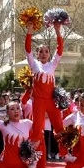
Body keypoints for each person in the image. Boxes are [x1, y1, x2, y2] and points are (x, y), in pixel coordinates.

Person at [25, 21, 69, 160]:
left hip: (51, 100)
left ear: (49, 54)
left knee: (59, 127)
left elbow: (60, 50)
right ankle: (31, 156)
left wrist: (58, 30)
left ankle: (65, 153)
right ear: (37, 54)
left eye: (46, 51)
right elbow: (27, 49)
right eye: (41, 51)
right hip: (38, 101)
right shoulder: (34, 64)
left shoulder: (52, 65)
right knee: (37, 129)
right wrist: (30, 30)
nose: (43, 53)